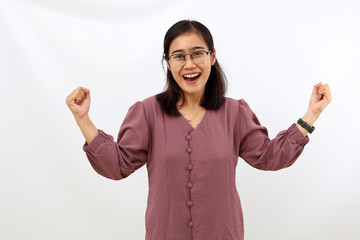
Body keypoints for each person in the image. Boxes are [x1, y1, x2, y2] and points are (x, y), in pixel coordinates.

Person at [65, 20, 332, 240]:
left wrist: (312, 114)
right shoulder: (147, 112)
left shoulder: (235, 113)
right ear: (168, 64)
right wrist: (83, 119)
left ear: (212, 57)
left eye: (197, 53)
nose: (189, 64)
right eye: (178, 56)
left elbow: (270, 156)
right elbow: (117, 165)